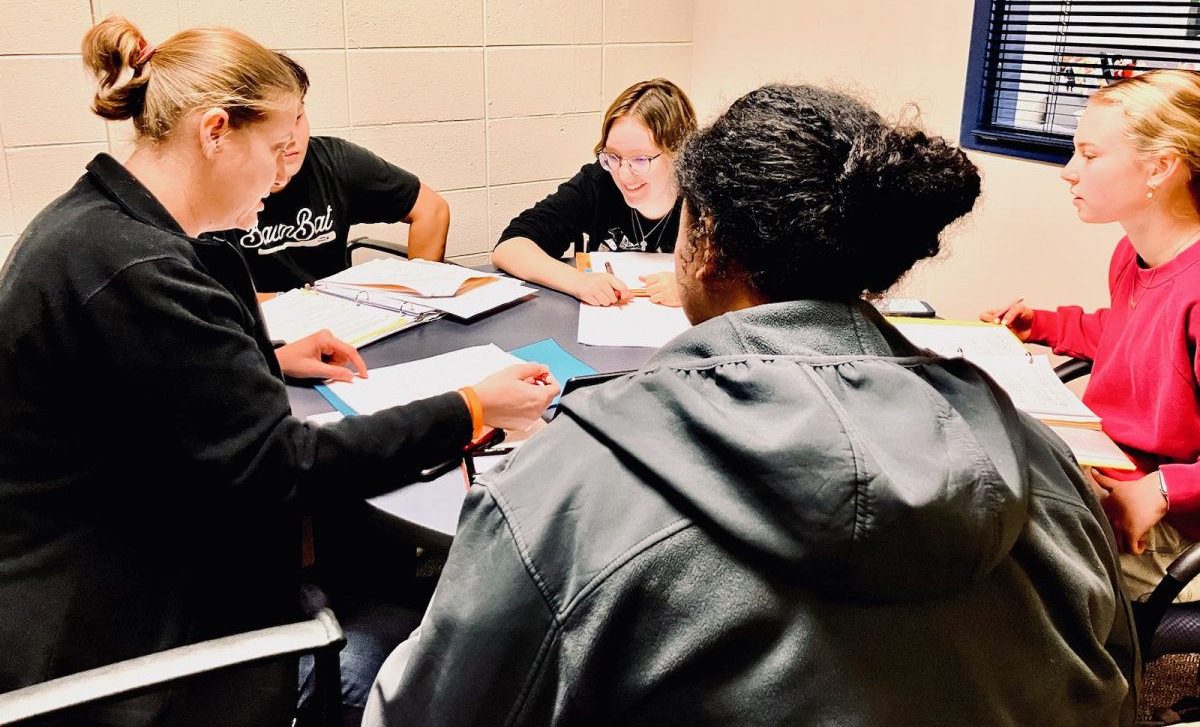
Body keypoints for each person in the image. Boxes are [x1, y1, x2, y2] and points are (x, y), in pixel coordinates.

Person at [366, 84, 1135, 726]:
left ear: (701, 248)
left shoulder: (560, 484)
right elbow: (1114, 680)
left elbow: (430, 712)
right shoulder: (1047, 465)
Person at [0, 16, 558, 726]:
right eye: (274, 147)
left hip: (109, 563)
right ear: (214, 131)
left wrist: (261, 357)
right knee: (427, 650)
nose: (282, 172)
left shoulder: (89, 229)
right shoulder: (139, 272)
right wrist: (473, 409)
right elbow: (283, 468)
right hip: (126, 648)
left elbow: (155, 389)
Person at [982, 68, 1200, 604]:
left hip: (1177, 530)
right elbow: (1142, 345)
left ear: (1161, 167)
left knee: (998, 560)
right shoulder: (1134, 253)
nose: (1068, 172)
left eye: (1090, 154)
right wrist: (1048, 326)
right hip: (1112, 467)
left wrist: (1165, 490)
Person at [225, 52, 451, 293]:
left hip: (338, 316)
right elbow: (214, 304)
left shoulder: (335, 161)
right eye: (275, 126)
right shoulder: (213, 190)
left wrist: (418, 292)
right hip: (262, 323)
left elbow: (431, 210)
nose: (291, 139)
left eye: (298, 118)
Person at [492, 78, 696, 307]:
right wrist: (579, 282)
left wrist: (693, 292)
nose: (623, 175)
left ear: (680, 154)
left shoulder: (707, 196)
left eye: (640, 159)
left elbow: (743, 284)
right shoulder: (600, 182)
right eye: (613, 156)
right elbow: (510, 246)